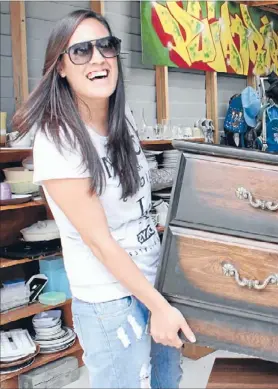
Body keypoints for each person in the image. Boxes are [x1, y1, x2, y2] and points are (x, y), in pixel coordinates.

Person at [12, 10, 195, 389]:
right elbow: (99, 241)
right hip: (111, 300)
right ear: (60, 67)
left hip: (154, 279)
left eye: (106, 46)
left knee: (167, 382)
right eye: (80, 51)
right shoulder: (58, 140)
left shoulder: (120, 115)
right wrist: (158, 305)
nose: (98, 58)